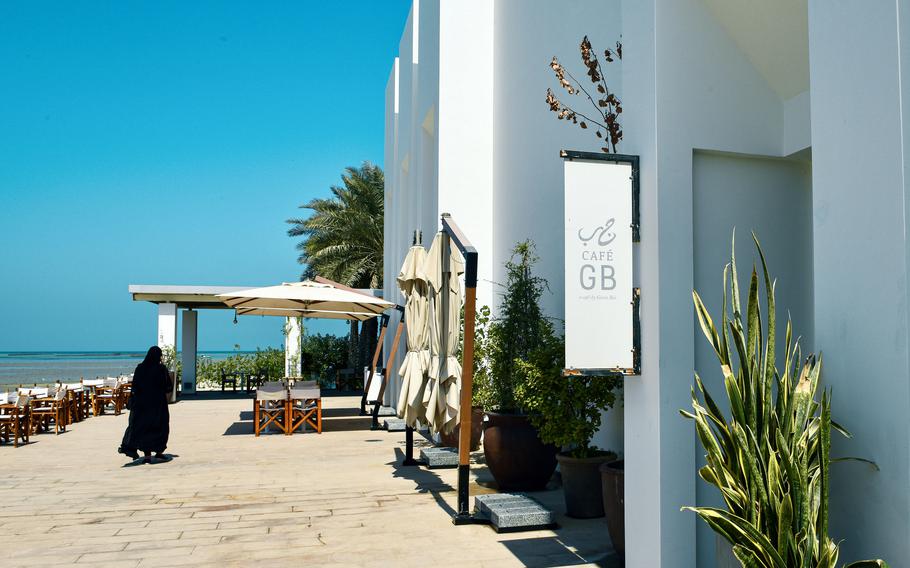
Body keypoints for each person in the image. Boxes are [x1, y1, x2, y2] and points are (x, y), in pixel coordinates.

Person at [118, 346, 171, 463]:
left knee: (145, 428)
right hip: (158, 404)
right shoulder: (161, 369)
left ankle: (147, 456)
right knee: (160, 427)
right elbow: (168, 387)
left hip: (143, 405)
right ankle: (159, 452)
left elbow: (135, 386)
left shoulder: (140, 368)